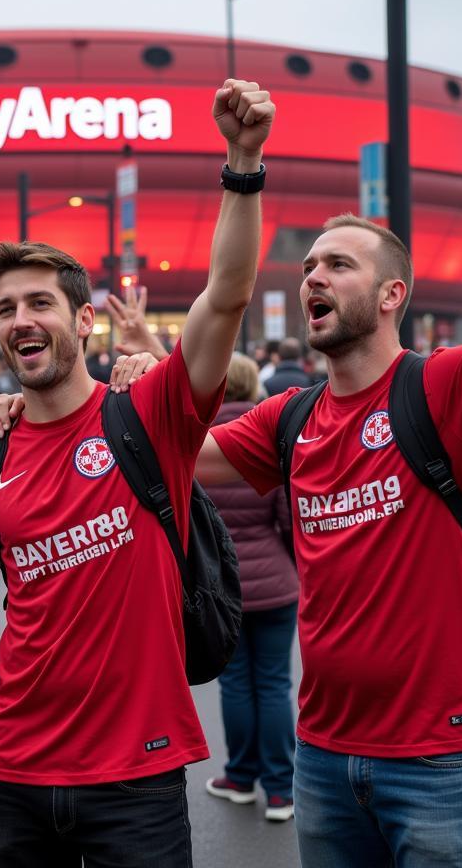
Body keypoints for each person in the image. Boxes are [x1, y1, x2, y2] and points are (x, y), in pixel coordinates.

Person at [0, 79, 275, 866]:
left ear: (83, 320)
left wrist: (242, 162)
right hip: (14, 770)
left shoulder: (149, 413)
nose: (22, 319)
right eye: (6, 308)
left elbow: (225, 298)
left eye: (40, 303)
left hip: (137, 776)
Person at [194, 213, 462, 867]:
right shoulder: (290, 416)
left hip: (447, 757)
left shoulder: (445, 386)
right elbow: (168, 451)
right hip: (323, 760)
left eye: (339, 264)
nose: (313, 276)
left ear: (391, 294)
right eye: (309, 267)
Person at [202, 352, 298, 822]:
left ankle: (240, 777)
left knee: (236, 683)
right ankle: (281, 790)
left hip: (223, 586)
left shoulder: (198, 440)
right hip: (276, 581)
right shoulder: (267, 435)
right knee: (276, 684)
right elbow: (286, 518)